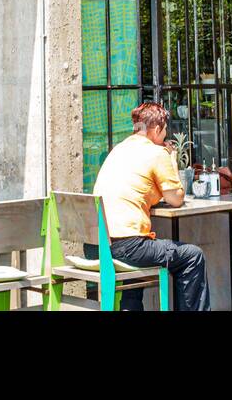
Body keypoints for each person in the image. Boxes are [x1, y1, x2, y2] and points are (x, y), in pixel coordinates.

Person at [93, 102, 210, 311]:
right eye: (165, 131)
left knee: (142, 247)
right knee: (192, 255)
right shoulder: (157, 153)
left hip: (97, 245)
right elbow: (176, 199)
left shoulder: (118, 150)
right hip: (125, 246)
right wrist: (173, 161)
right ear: (156, 129)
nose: (165, 136)